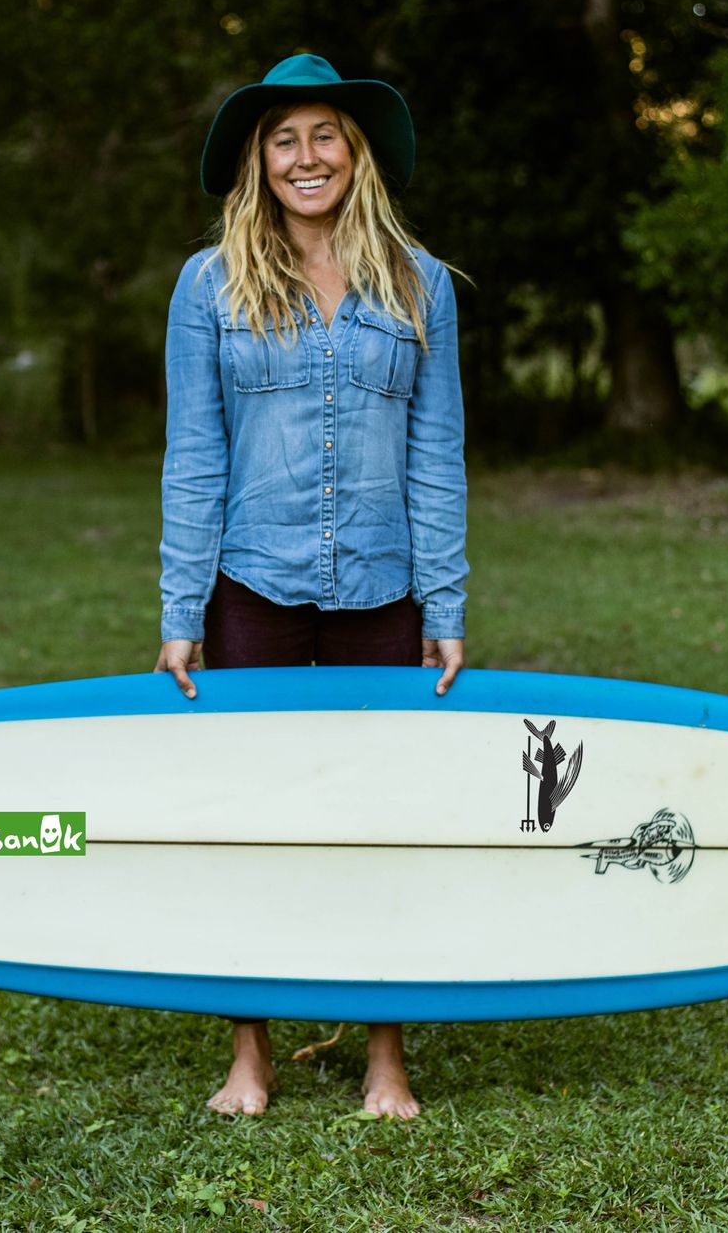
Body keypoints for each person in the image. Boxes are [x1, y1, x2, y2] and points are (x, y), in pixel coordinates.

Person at [154, 54, 469, 1118]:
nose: (304, 156)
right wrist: (179, 611)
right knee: (246, 816)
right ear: (257, 159)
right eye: (281, 138)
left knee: (384, 815)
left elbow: (438, 453)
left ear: (355, 151)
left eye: (323, 133)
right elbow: (193, 456)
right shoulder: (208, 289)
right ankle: (249, 1054)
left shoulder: (416, 285)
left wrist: (446, 606)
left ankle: (386, 1057)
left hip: (383, 587)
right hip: (252, 585)